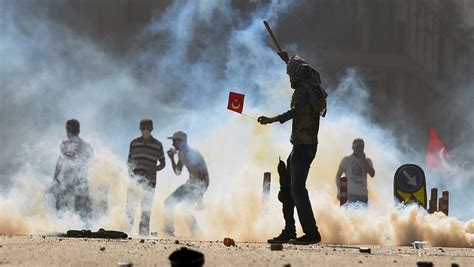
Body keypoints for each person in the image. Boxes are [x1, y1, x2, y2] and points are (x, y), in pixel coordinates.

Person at [258, 51, 327, 245]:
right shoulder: (312, 89)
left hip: (302, 147)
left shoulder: (302, 91)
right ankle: (289, 230)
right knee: (288, 189)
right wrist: (286, 59)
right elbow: (297, 67)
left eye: (290, 73)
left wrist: (271, 119)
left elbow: (296, 111)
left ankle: (311, 233)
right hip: (305, 145)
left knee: (297, 189)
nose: (289, 77)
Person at [164, 131, 209, 237]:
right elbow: (178, 172)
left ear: (180, 141)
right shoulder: (181, 153)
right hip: (191, 184)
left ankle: (197, 234)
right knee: (169, 202)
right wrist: (171, 159)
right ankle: (169, 232)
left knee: (184, 208)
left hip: (199, 185)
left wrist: (200, 197)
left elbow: (203, 174)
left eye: (174, 141)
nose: (172, 144)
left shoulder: (194, 153)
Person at [126, 119, 165, 236]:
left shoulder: (158, 145)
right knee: (130, 208)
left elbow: (163, 164)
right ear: (140, 128)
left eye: (147, 128)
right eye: (143, 128)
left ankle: (143, 235)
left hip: (150, 182)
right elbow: (129, 162)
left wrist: (153, 170)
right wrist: (132, 176)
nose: (145, 130)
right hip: (135, 182)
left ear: (152, 129)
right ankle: (126, 233)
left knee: (146, 209)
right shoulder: (134, 143)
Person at [52, 119, 93, 222]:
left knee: (61, 203)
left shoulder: (65, 144)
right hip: (82, 178)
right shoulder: (86, 145)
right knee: (81, 208)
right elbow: (90, 160)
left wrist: (56, 175)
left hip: (69, 179)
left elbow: (61, 160)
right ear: (78, 130)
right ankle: (81, 229)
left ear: (68, 129)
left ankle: (62, 225)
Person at [335, 138, 375, 204]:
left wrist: (364, 160)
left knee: (363, 214)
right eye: (357, 146)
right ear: (353, 148)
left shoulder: (367, 161)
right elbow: (338, 176)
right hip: (351, 195)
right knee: (352, 213)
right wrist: (339, 190)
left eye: (361, 147)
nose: (359, 149)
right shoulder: (347, 160)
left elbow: (372, 174)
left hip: (363, 195)